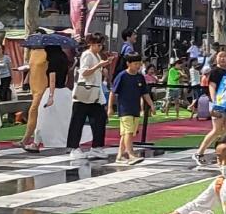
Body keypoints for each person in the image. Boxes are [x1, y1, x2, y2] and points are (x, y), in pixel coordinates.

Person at [67, 33, 112, 163]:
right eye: (98, 44)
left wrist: (102, 66)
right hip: (84, 93)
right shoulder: (87, 54)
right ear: (91, 44)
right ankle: (74, 147)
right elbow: (85, 72)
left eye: (101, 45)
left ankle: (97, 146)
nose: (100, 47)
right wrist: (99, 66)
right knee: (77, 121)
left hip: (94, 94)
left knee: (99, 120)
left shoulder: (96, 55)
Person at [22, 42, 68, 152]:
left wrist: (51, 96)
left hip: (52, 92)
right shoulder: (64, 60)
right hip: (64, 93)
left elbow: (52, 80)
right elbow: (66, 78)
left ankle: (36, 143)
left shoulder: (53, 63)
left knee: (41, 120)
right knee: (63, 120)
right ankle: (66, 141)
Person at [109, 53, 153, 164]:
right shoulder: (122, 76)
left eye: (139, 64)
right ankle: (131, 153)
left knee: (127, 133)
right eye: (135, 64)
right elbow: (113, 92)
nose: (138, 66)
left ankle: (120, 155)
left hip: (135, 108)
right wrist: (110, 107)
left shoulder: (139, 77)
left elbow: (145, 93)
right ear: (128, 63)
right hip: (125, 109)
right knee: (128, 132)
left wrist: (151, 105)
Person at [194, 50, 226, 167]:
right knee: (216, 130)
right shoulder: (215, 72)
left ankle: (225, 154)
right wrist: (215, 102)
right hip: (217, 103)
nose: (223, 59)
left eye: (225, 56)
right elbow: (212, 87)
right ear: (216, 59)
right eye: (220, 56)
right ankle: (199, 152)